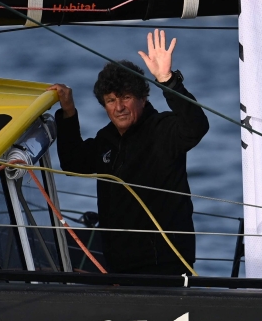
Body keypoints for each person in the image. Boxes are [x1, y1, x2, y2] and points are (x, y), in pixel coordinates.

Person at [51, 29, 209, 275]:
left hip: (165, 266)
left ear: (143, 99)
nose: (119, 107)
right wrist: (68, 112)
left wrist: (168, 80)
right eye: (111, 100)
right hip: (119, 267)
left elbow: (197, 126)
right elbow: (73, 163)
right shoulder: (107, 139)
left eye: (126, 97)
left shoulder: (163, 129)